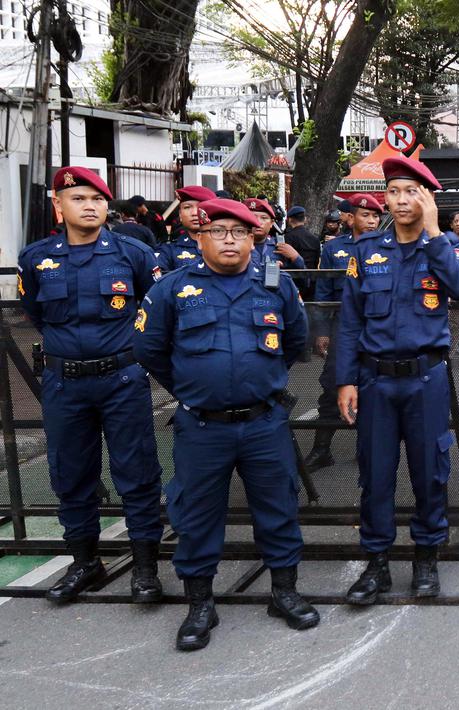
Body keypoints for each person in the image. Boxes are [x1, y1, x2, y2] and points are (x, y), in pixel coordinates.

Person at [134, 198, 316, 651]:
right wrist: (196, 387)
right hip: (202, 426)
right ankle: (200, 604)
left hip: (264, 423)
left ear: (254, 238)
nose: (229, 239)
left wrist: (260, 381)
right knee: (196, 515)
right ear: (200, 238)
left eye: (239, 231)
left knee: (278, 507)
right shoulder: (172, 289)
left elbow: (296, 339)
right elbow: (150, 350)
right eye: (218, 231)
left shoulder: (275, 284)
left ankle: (284, 592)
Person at [17, 167, 164, 604]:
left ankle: (145, 568)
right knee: (70, 474)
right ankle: (85, 562)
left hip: (122, 379)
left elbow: (154, 308)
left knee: (137, 473)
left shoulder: (134, 254)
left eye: (97, 199)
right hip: (65, 384)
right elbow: (35, 312)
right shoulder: (37, 258)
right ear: (58, 206)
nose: (89, 206)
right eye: (78, 199)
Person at [334, 157, 459, 603]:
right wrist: (345, 380)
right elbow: (350, 322)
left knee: (430, 471)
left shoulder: (446, 246)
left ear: (428, 198)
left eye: (411, 191)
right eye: (393, 192)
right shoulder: (366, 251)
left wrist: (433, 232)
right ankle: (376, 563)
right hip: (375, 381)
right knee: (375, 475)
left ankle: (426, 557)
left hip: (425, 379)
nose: (400, 200)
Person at [302, 194, 385, 472]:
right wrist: (322, 331)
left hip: (377, 327)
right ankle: (321, 449)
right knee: (332, 386)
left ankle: (367, 448)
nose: (371, 221)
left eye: (376, 216)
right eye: (365, 215)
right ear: (350, 218)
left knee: (375, 387)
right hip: (342, 327)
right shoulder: (334, 248)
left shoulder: (388, 246)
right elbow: (323, 292)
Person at [155, 185, 216, 274]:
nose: (194, 213)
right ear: (180, 215)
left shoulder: (227, 245)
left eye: (201, 207)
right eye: (187, 207)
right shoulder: (168, 251)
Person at [242, 198, 305, 270]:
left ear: (271, 223)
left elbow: (303, 274)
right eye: (253, 217)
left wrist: (295, 257)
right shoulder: (236, 245)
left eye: (264, 218)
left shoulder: (280, 246)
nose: (258, 222)